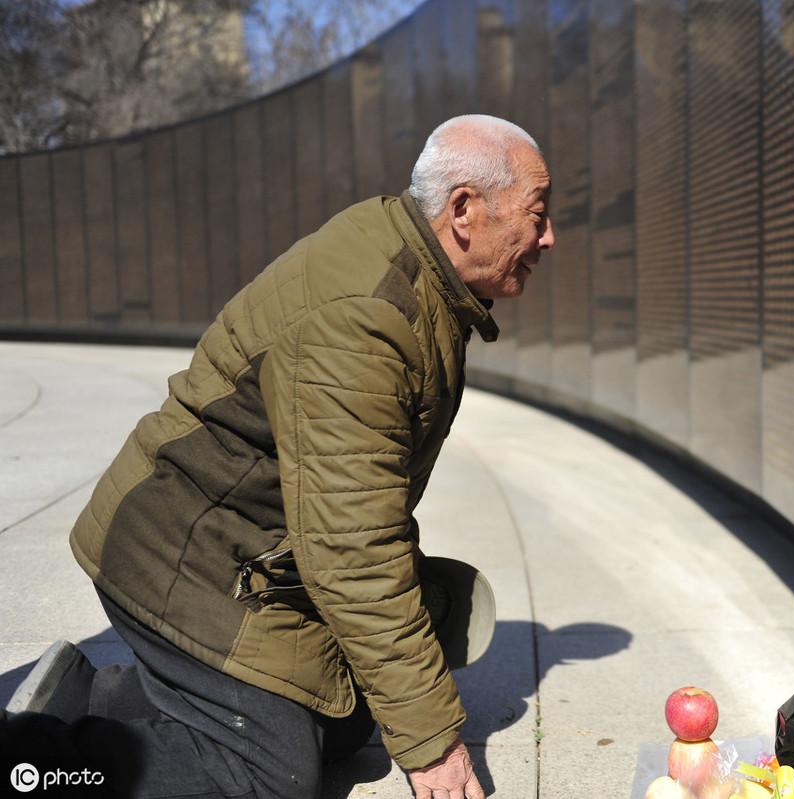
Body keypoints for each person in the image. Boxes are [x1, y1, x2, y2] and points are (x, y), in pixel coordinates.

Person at [1, 114, 554, 799]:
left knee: (344, 718)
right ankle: (33, 760)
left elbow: (355, 499)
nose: (548, 235)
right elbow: (350, 547)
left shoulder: (421, 278)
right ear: (465, 210)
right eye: (537, 214)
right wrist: (434, 745)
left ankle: (98, 692)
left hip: (251, 552)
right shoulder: (364, 314)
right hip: (179, 562)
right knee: (270, 776)